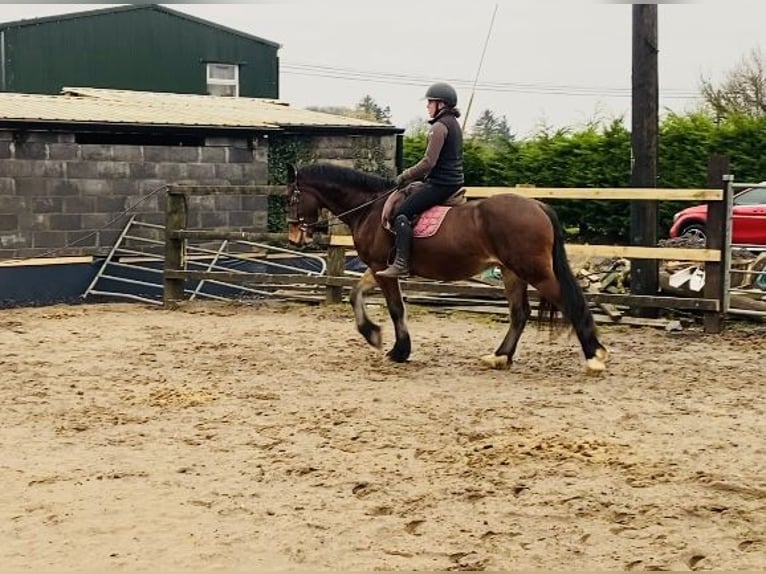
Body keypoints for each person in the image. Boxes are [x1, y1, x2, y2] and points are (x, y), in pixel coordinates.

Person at [376, 82, 464, 278]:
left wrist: (405, 175)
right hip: (452, 181)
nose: (427, 106)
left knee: (402, 214)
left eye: (430, 102)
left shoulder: (440, 127)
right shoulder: (453, 124)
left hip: (441, 184)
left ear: (441, 104)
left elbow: (428, 162)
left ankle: (402, 264)